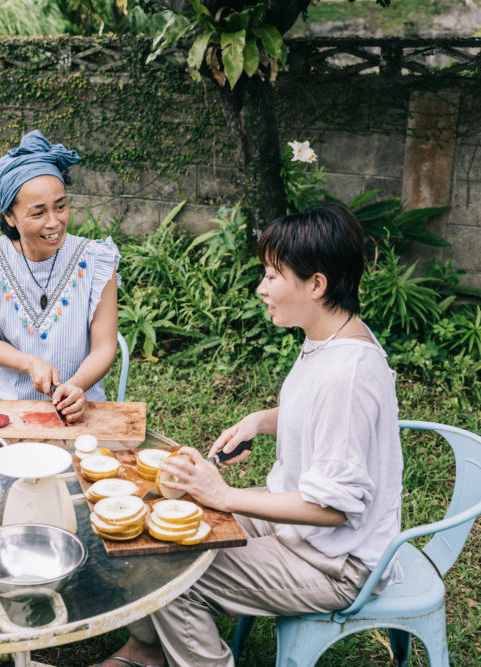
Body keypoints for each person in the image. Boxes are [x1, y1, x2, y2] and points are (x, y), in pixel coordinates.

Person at [95, 203, 403, 667]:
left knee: (171, 575)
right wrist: (261, 419)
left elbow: (333, 508)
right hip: (297, 526)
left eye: (272, 276)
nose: (261, 288)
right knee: (164, 522)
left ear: (316, 284)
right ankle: (147, 651)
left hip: (338, 562)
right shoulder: (334, 338)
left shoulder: (350, 374)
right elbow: (321, 415)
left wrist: (225, 495)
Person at [0, 130, 120, 423]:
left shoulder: (97, 261)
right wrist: (29, 363)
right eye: (38, 213)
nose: (54, 222)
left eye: (60, 206)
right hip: (6, 406)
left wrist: (76, 386)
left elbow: (104, 346)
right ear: (10, 217)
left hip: (80, 408)